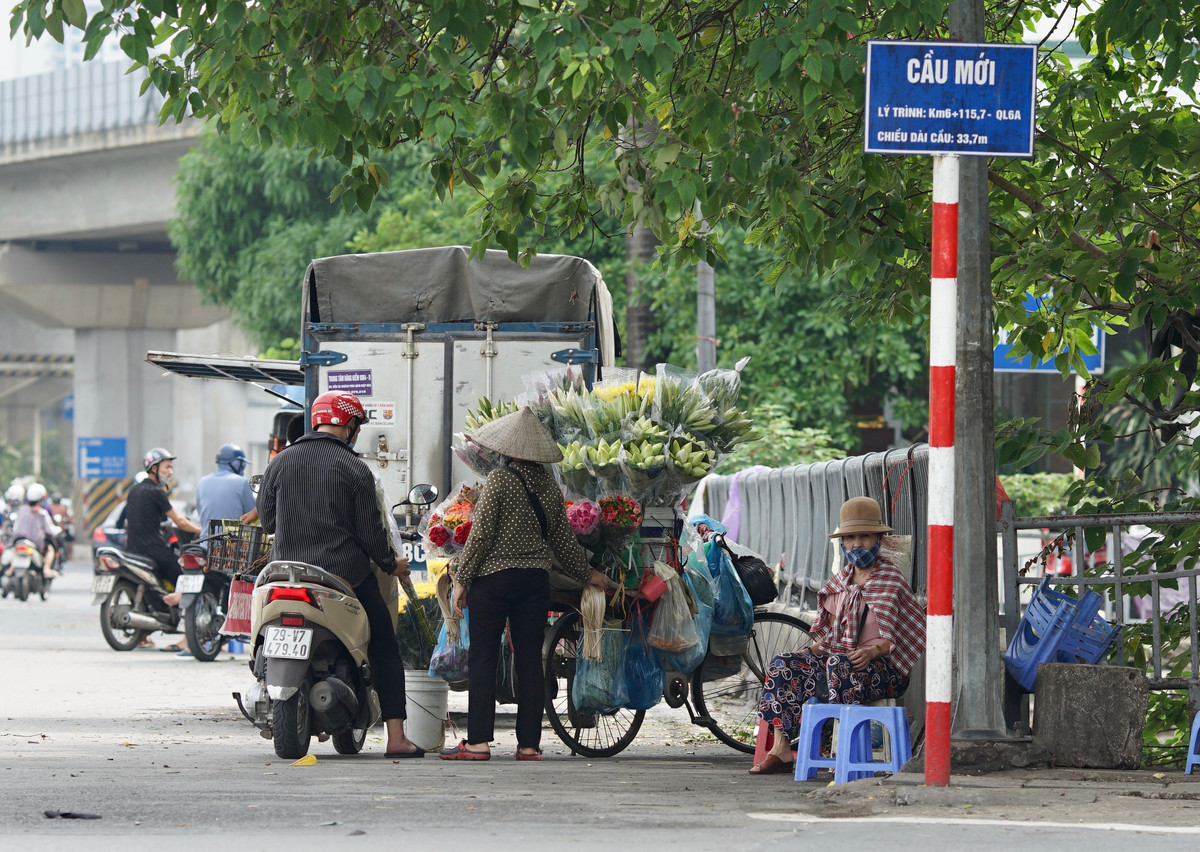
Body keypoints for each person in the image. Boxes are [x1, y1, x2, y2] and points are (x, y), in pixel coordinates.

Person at [256, 390, 422, 758]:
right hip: (343, 576)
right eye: (357, 426)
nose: (357, 433)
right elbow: (370, 532)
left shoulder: (280, 462)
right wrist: (390, 564)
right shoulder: (354, 468)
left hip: (286, 574)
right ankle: (396, 737)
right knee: (384, 645)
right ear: (347, 424)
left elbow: (268, 520)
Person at [441, 406, 609, 761]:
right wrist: (587, 574)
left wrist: (461, 580)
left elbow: (481, 536)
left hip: (494, 582)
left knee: (483, 658)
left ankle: (478, 742)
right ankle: (529, 744)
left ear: (508, 448)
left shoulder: (500, 481)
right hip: (534, 582)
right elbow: (563, 540)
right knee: (531, 659)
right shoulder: (548, 485)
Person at [749, 496, 926, 775]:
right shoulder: (839, 583)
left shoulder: (890, 580)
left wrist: (872, 652)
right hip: (840, 665)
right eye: (851, 538)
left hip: (883, 670)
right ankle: (781, 749)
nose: (857, 544)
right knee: (784, 664)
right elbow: (831, 637)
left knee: (839, 664)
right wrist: (810, 652)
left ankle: (846, 749)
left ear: (878, 540)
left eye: (865, 537)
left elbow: (898, 640)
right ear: (843, 543)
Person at [125, 448, 201, 611]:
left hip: (132, 550)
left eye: (171, 468)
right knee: (185, 578)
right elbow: (180, 521)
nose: (170, 472)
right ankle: (182, 618)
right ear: (154, 469)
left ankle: (143, 635)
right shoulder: (156, 492)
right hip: (152, 550)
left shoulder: (134, 491)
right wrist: (199, 530)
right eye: (167, 467)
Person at [195, 443, 257, 544]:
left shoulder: (202, 481)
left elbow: (200, 512)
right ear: (236, 463)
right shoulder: (242, 483)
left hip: (205, 545)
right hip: (231, 550)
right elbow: (252, 515)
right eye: (242, 463)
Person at [10, 483, 62, 577]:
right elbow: (49, 530)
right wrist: (58, 530)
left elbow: (15, 527)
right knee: (50, 549)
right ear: (41, 498)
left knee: (12, 550)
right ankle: (46, 569)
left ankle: (11, 568)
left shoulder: (21, 510)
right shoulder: (42, 513)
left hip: (18, 540)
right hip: (36, 543)